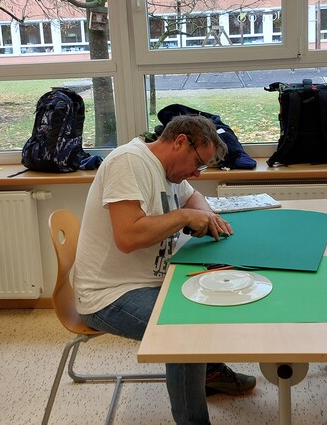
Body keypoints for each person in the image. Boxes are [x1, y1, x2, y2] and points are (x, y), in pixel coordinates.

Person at [73, 115, 256, 424]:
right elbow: (128, 237)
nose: (196, 174)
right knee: (184, 330)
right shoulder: (129, 162)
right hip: (108, 295)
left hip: (150, 281)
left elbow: (193, 197)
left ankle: (209, 372)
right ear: (180, 142)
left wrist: (207, 217)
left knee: (212, 298)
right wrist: (184, 217)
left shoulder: (168, 170)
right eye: (197, 164)